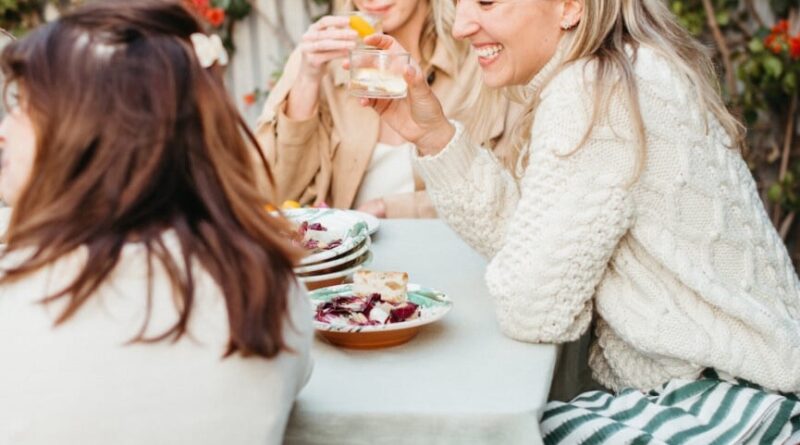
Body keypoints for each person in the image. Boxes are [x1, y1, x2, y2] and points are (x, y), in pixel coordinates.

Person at [361, 0, 800, 443]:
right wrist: (433, 134)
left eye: (487, 2)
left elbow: (531, 308)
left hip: (732, 402)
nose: (461, 26)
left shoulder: (594, 90)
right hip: (746, 377)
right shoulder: (622, 66)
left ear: (570, 7)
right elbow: (537, 243)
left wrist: (529, 279)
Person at [0, 1, 312, 444]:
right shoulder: (271, 284)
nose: (4, 129)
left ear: (90, 132)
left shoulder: (19, 301)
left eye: (23, 105)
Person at [254, 0, 518, 218]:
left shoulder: (481, 61)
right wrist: (307, 81)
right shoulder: (317, 60)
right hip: (349, 272)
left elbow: (510, 193)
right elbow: (275, 196)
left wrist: (391, 209)